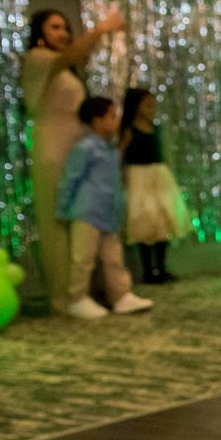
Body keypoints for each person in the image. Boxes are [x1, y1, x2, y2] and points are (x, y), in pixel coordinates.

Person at [23, 6, 123, 311]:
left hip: (76, 143)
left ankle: (84, 290)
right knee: (59, 218)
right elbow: (72, 55)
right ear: (39, 33)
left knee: (84, 215)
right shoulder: (37, 58)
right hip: (53, 144)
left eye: (65, 27)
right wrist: (101, 29)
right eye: (55, 27)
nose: (63, 33)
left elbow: (77, 56)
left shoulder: (65, 69)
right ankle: (64, 296)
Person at [55, 95, 151, 320]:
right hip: (87, 211)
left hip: (108, 212)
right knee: (83, 258)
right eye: (112, 116)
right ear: (97, 120)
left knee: (113, 258)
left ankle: (121, 294)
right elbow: (70, 179)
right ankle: (77, 298)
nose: (117, 120)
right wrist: (63, 208)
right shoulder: (85, 148)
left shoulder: (111, 149)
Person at [119, 87, 190, 283]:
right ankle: (148, 270)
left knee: (162, 221)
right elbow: (121, 156)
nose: (152, 109)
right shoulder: (129, 131)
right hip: (139, 177)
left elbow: (163, 152)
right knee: (145, 221)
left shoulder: (156, 128)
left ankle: (161, 267)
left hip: (159, 176)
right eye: (147, 105)